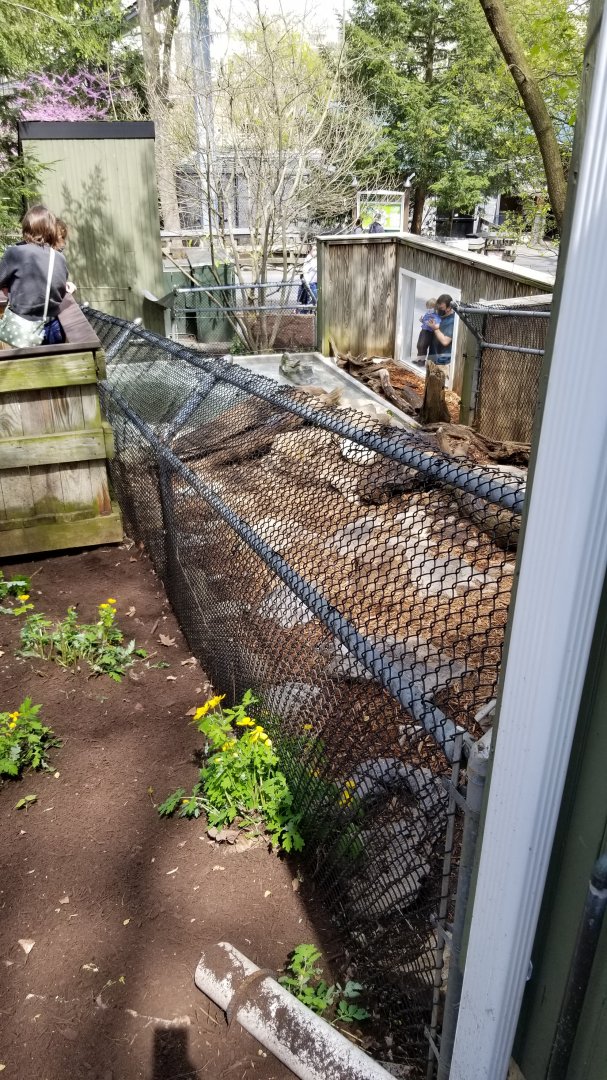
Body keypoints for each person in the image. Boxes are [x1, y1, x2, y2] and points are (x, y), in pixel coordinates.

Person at [0, 205, 67, 347]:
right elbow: (60, 290)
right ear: (51, 229)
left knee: (26, 362)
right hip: (52, 325)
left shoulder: (15, 253)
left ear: (27, 227)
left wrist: (9, 287)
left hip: (22, 327)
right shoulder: (59, 257)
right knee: (55, 362)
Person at [427, 294, 455, 370]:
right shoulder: (440, 316)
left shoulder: (452, 321)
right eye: (438, 307)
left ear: (449, 307)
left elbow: (445, 341)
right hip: (433, 358)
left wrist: (435, 329)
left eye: (442, 308)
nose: (439, 310)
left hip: (442, 362)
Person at [415, 297, 438, 365]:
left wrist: (431, 324)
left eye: (431, 307)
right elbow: (425, 321)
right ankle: (419, 358)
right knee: (419, 345)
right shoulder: (427, 314)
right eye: (428, 307)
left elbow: (434, 324)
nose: (429, 309)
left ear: (435, 308)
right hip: (423, 331)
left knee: (423, 346)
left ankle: (421, 361)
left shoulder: (435, 316)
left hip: (428, 332)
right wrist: (422, 320)